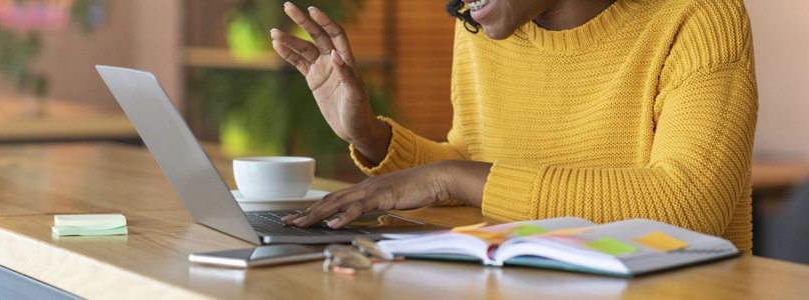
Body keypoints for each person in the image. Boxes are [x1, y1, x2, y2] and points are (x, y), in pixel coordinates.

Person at [271, 0, 757, 252]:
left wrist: (450, 177)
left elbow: (690, 206)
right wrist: (370, 138)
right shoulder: (483, 30)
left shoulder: (698, 16)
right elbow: (477, 164)